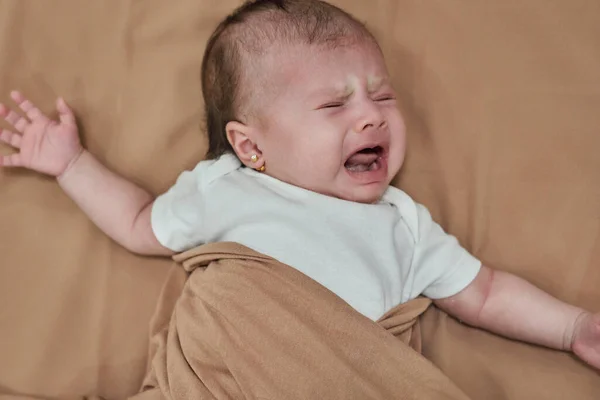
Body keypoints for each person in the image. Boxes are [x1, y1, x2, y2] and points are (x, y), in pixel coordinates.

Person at [0, 0, 598, 370]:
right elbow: (138, 222)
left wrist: (572, 328)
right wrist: (72, 164)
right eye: (334, 104)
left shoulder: (402, 223)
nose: (371, 115)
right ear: (251, 147)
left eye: (382, 94)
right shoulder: (226, 188)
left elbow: (486, 293)